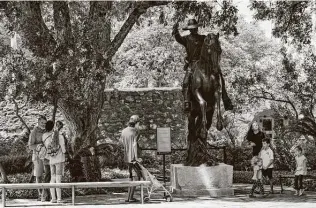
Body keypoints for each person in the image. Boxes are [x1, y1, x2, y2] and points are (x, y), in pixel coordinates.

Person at [172, 18, 233, 112]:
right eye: (192, 28)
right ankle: (187, 101)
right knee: (185, 82)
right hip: (192, 64)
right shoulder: (186, 39)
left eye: (195, 28)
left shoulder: (203, 38)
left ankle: (226, 99)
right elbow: (178, 38)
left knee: (219, 75)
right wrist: (175, 30)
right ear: (189, 29)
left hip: (204, 63)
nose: (194, 29)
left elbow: (211, 43)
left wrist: (214, 38)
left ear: (197, 28)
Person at [120, 115, 143, 203]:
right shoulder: (136, 131)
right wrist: (136, 157)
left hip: (127, 158)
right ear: (137, 123)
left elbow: (121, 143)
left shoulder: (123, 131)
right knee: (136, 177)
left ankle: (129, 197)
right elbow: (134, 144)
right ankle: (130, 198)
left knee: (131, 177)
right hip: (133, 158)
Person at [43, 120, 67, 203]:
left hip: (51, 160)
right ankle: (59, 198)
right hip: (59, 159)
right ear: (60, 127)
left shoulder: (50, 136)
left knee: (52, 179)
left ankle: (53, 198)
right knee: (58, 178)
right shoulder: (60, 136)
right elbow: (63, 150)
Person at [28, 115, 50, 201]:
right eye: (42, 123)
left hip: (47, 156)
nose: (44, 124)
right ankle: (40, 195)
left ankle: (47, 194)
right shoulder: (34, 132)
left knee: (48, 175)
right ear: (38, 122)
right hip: (37, 156)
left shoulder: (48, 131)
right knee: (39, 175)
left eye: (45, 123)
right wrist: (39, 146)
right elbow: (30, 146)